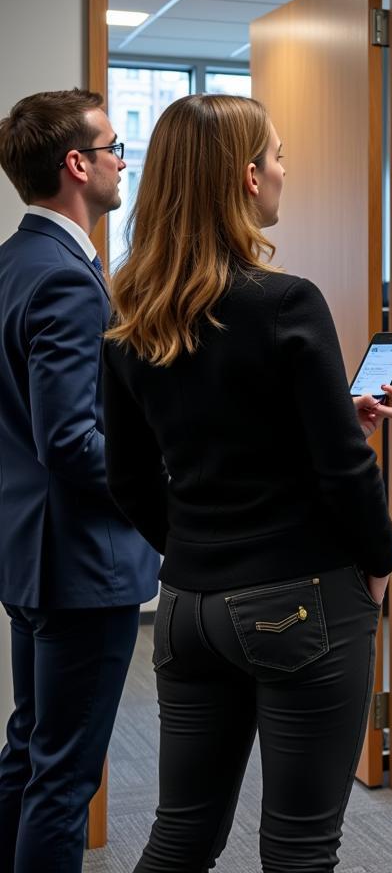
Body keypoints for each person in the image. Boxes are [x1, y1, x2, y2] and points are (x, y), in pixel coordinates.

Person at [101, 94, 392, 872]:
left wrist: (201, 548)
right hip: (301, 602)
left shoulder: (132, 312)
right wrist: (380, 566)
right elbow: (342, 469)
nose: (284, 169)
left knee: (180, 834)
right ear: (244, 176)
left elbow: (129, 474)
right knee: (300, 846)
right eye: (276, 154)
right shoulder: (285, 302)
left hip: (188, 609)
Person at [0, 90, 160, 872]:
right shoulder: (65, 278)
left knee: (30, 753)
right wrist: (168, 480)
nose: (122, 162)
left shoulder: (12, 262)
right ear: (77, 165)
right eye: (114, 148)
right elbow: (70, 440)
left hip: (29, 555)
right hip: (81, 565)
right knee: (62, 779)